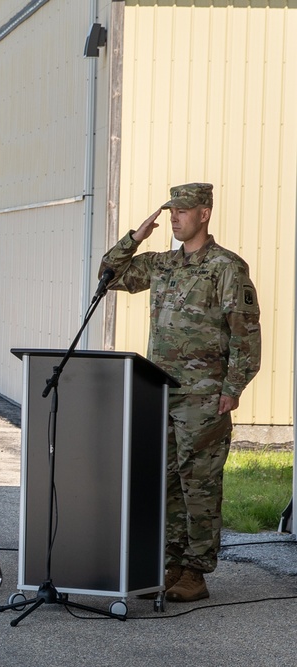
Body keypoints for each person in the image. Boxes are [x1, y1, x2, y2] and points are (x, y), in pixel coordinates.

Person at [100, 182, 261, 602]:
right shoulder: (163, 264)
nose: (174, 218)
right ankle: (172, 562)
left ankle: (196, 571)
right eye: (171, 211)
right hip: (161, 392)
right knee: (167, 482)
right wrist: (135, 238)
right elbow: (110, 274)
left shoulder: (227, 268)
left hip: (204, 396)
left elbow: (246, 336)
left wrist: (233, 389)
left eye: (182, 211)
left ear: (204, 213)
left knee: (200, 483)